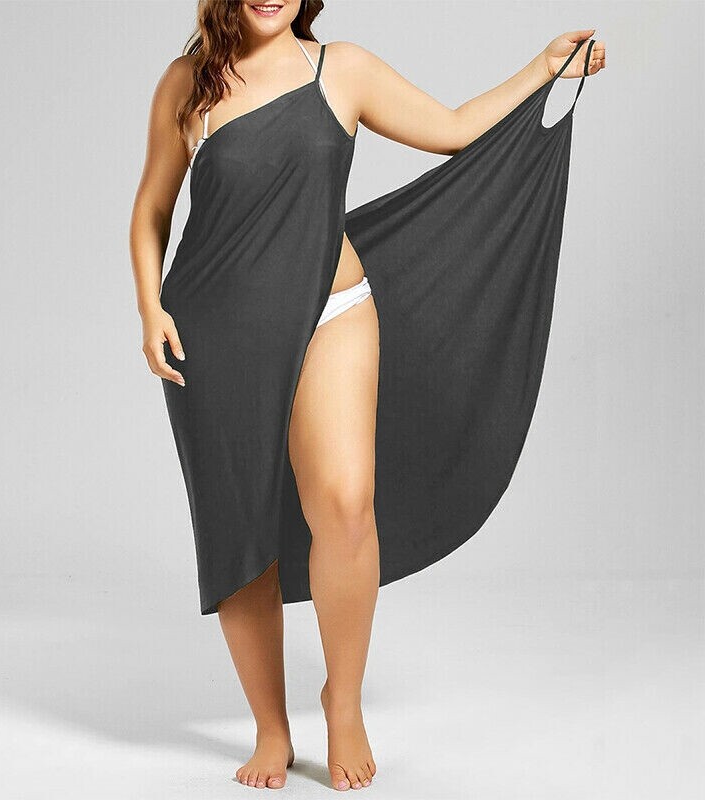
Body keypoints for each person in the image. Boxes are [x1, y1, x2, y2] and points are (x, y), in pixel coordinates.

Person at [129, 0, 605, 791]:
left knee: (346, 505)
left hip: (334, 312)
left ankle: (342, 701)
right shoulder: (188, 83)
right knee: (239, 527)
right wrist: (150, 308)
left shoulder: (340, 69)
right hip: (217, 330)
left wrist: (545, 69)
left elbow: (452, 129)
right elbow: (152, 208)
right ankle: (271, 729)